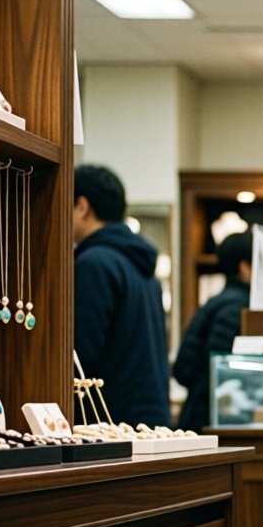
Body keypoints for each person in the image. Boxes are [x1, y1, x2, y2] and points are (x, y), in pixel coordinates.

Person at [72, 164, 171, 427]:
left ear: (82, 207)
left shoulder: (94, 263)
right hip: (148, 417)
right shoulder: (143, 267)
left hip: (110, 422)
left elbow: (82, 355)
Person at [171, 231, 253, 431]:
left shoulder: (220, 301)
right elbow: (218, 367)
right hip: (208, 419)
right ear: (244, 268)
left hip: (200, 414)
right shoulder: (237, 306)